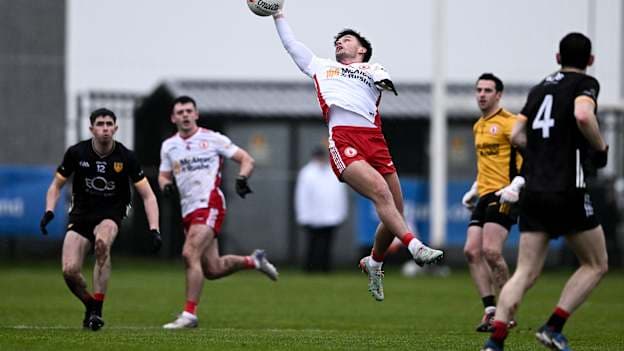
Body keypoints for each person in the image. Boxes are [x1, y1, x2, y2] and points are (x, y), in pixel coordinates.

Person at [270, 7, 443, 302]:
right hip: (344, 137)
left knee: (395, 211)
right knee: (380, 194)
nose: (339, 43)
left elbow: (384, 79)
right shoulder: (322, 66)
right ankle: (415, 247)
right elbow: (292, 46)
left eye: (346, 39)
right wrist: (278, 15)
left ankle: (374, 262)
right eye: (337, 40)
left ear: (361, 49)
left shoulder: (372, 68)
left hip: (375, 140)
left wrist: (383, 80)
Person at [482, 32, 609, 351]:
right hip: (568, 188)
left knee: (525, 271)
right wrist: (600, 146)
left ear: (557, 58)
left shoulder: (540, 88)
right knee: (596, 263)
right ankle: (554, 327)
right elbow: (583, 115)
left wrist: (540, 153)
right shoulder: (585, 85)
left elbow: (517, 135)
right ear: (590, 61)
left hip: (534, 189)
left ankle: (495, 342)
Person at [158, 96, 279, 329]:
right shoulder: (169, 146)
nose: (184, 115)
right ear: (173, 118)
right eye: (180, 111)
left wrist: (242, 177)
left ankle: (189, 314)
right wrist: (165, 186)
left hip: (210, 203)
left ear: (196, 114)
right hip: (189, 209)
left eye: (188, 111)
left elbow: (246, 159)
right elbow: (163, 175)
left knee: (188, 253)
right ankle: (253, 261)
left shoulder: (212, 138)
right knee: (212, 269)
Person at [39, 108, 162, 331]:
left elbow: (148, 195)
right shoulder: (77, 153)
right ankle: (90, 304)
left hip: (110, 214)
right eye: (100, 124)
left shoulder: (126, 157)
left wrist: (155, 229)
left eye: (109, 124)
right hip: (81, 214)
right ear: (91, 128)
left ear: (116, 128)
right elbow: (56, 185)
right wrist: (49, 211)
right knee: (69, 271)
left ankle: (97, 311)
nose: (105, 128)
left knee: (102, 244)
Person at [461, 73, 523, 332]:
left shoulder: (513, 123)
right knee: (471, 252)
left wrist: (518, 185)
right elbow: (486, 163)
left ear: (499, 94)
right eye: (479, 90)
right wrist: (475, 188)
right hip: (485, 194)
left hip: (505, 193)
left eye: (488, 90)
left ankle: (506, 313)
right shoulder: (478, 126)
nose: (482, 94)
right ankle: (490, 310)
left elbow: (529, 158)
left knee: (491, 252)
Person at [295, 146, 348, 272]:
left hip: (330, 216)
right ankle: (310, 268)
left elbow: (339, 195)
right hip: (312, 216)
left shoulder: (332, 172)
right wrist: (303, 215)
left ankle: (325, 268)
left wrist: (341, 213)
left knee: (327, 245)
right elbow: (301, 196)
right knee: (312, 244)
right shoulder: (306, 173)